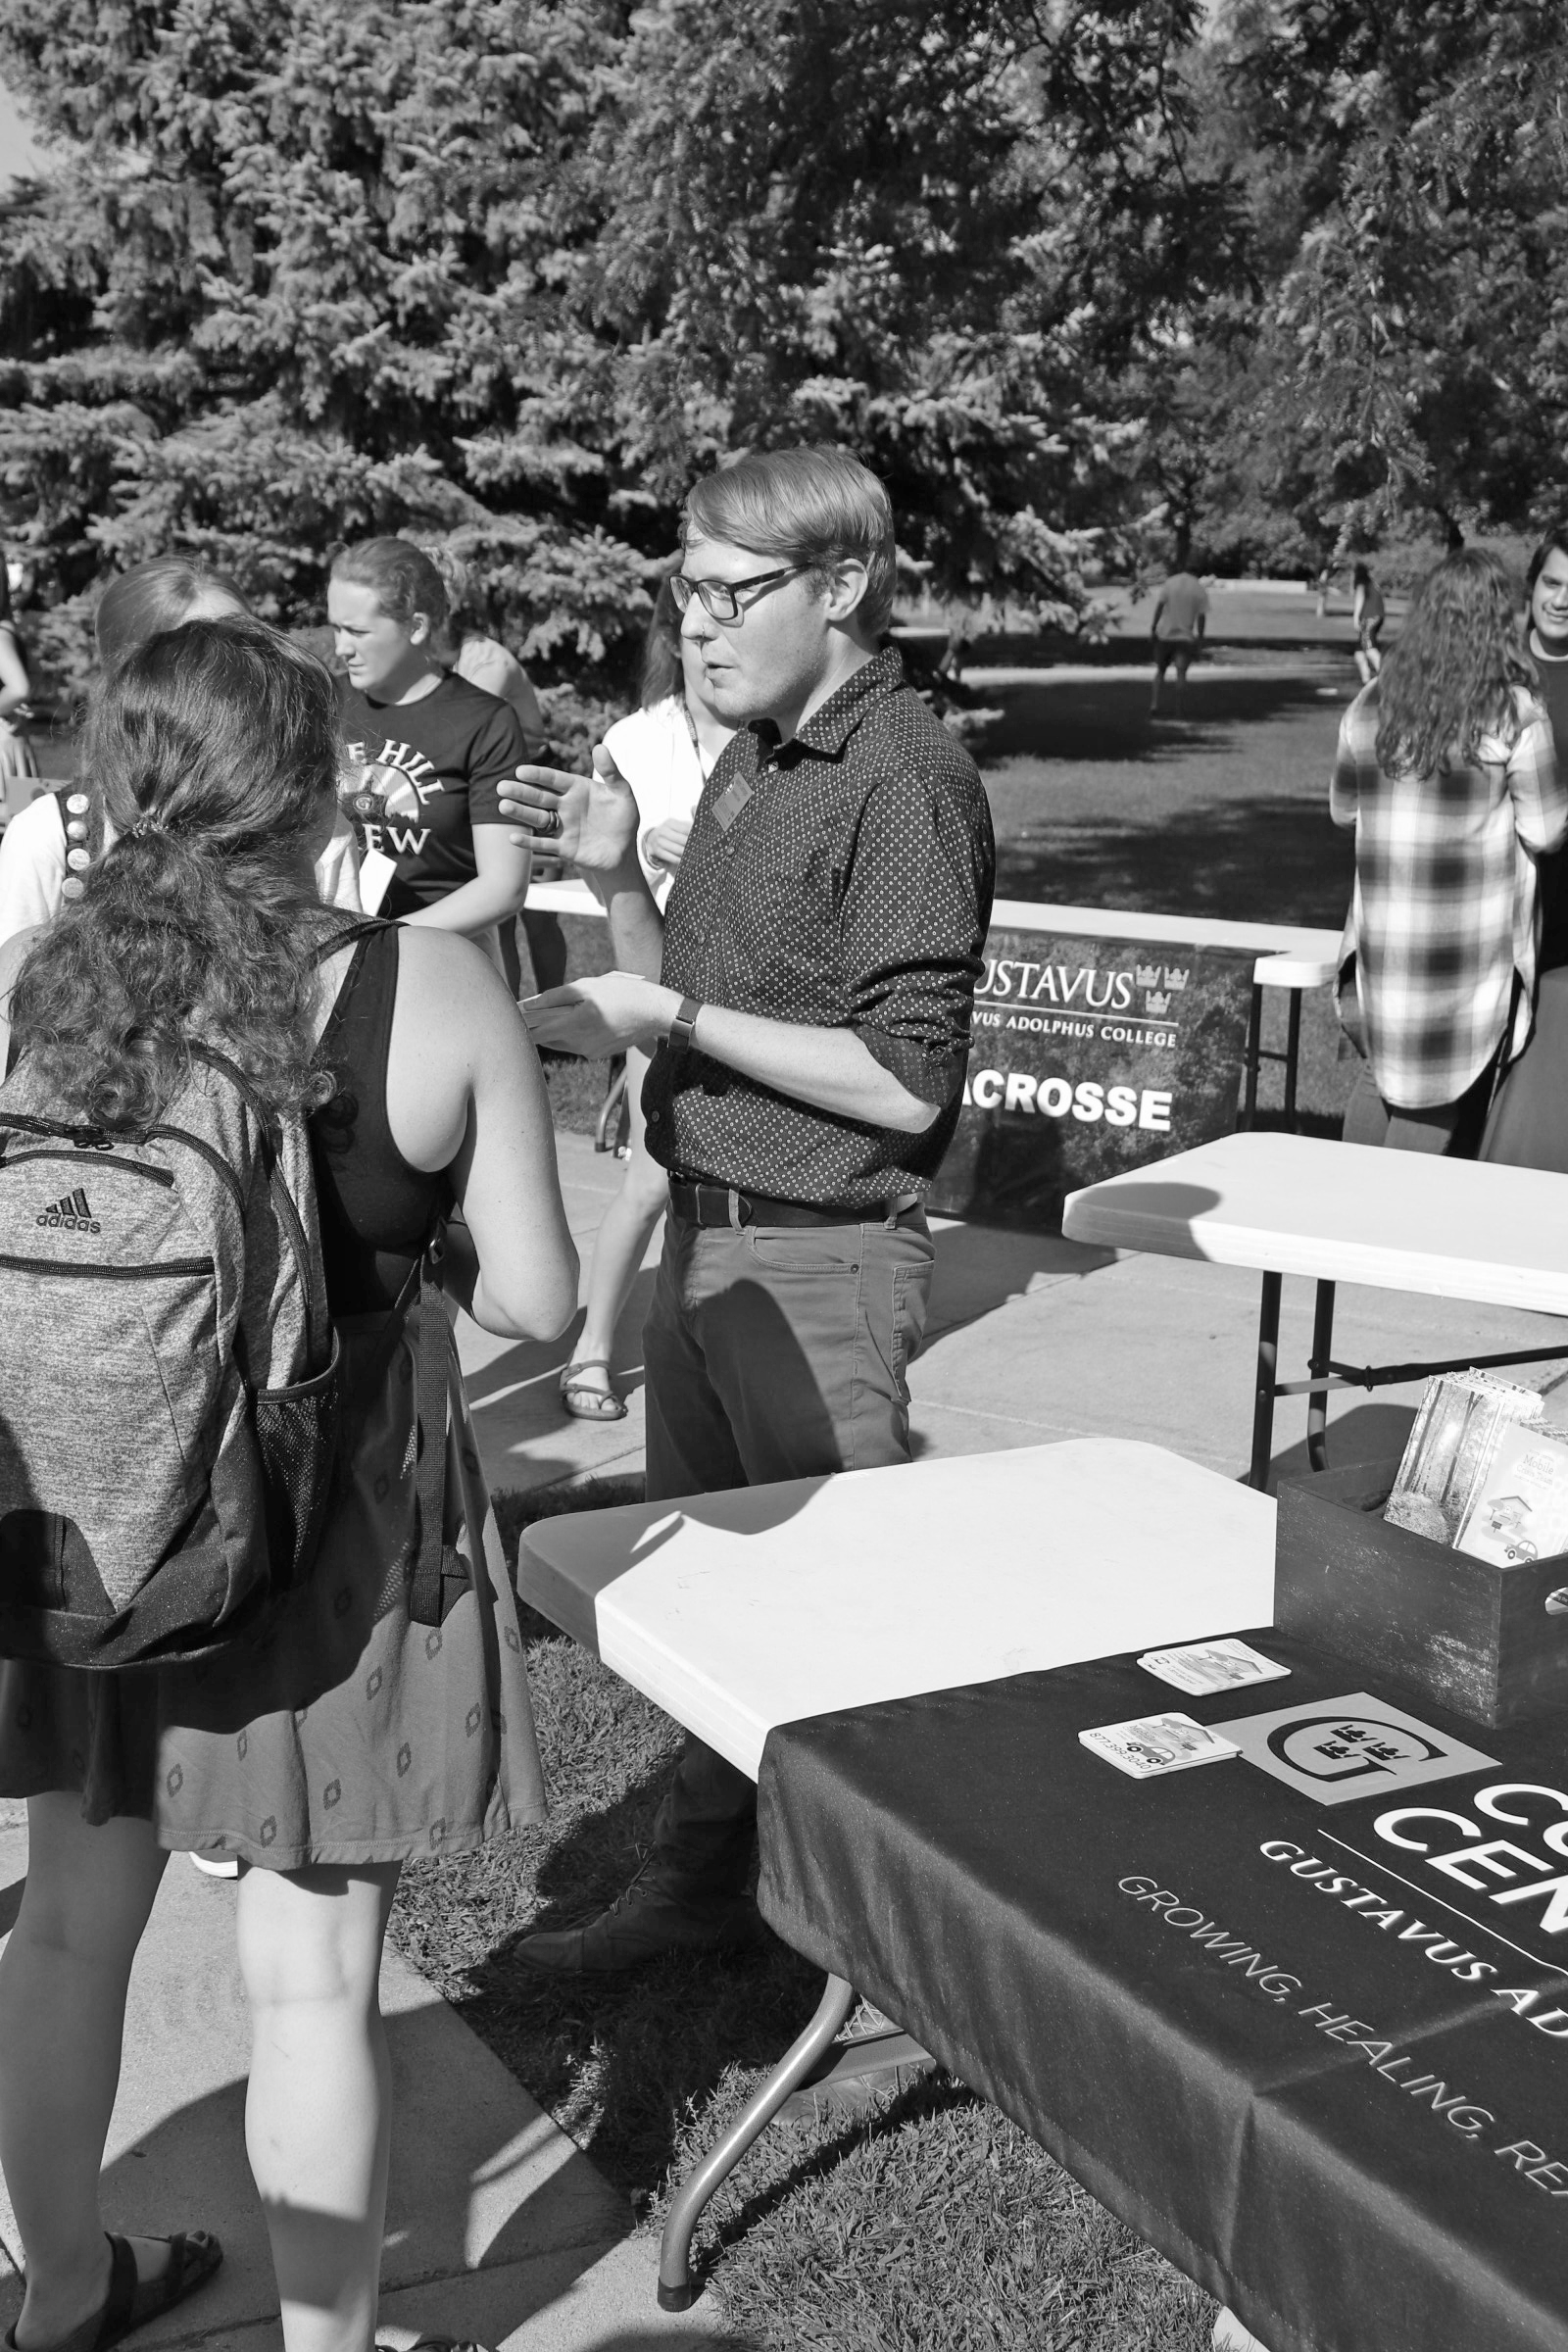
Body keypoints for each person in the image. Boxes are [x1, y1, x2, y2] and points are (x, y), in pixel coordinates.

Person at [0, 614, 577, 2352]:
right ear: (312, 782)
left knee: (63, 1944)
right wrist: (426, 1245)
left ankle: (60, 2299)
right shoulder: (427, 984)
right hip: (337, 1539)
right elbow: (544, 1299)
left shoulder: (50, 984)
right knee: (313, 1986)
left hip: (102, 1523)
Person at [507, 445, 995, 1972]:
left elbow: (908, 1089)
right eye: (685, 592)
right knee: (724, 1607)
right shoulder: (747, 756)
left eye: (730, 593)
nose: (695, 628)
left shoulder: (904, 778)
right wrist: (620, 895)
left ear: (842, 587)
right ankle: (706, 1893)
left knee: (851, 1641)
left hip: (824, 1263)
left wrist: (672, 1010)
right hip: (713, 1245)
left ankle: (882, 1976)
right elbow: (693, 997)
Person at [559, 580, 735, 1422]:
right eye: (695, 629)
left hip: (753, 1000)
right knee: (652, 1181)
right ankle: (592, 1350)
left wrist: (713, 851)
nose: (711, 646)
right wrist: (642, 856)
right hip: (662, 988)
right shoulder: (635, 739)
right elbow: (615, 889)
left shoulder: (783, 741)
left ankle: (706, 1342)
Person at [1331, 549, 1566, 1155]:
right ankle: (1384, 1234)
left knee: (1377, 1077)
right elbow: (1546, 829)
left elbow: (1343, 808)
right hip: (1463, 949)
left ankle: (1335, 1221)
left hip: (1384, 938)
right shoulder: (1516, 714)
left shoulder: (1370, 704)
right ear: (1499, 620)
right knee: (1437, 1095)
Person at [0, 559, 361, 947]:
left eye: (245, 647)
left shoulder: (315, 820)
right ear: (129, 676)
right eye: (188, 652)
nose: (232, 674)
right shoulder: (52, 835)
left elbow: (348, 976)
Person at [328, 540, 533, 956]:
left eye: (358, 631)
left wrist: (382, 939)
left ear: (416, 626)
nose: (341, 647)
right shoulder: (322, 705)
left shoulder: (485, 723)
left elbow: (504, 887)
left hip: (446, 963)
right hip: (332, 958)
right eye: (336, 627)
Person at [1478, 525, 1568, 1168]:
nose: (1561, 599)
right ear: (1532, 586)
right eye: (1552, 582)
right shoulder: (1491, 661)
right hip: (1490, 888)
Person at [0, 559, 39, 812]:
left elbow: (19, 687)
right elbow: (36, 673)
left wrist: (11, 702)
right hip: (13, 740)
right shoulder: (8, 630)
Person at [1149, 564, 1208, 715]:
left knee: (1160, 671)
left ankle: (1154, 704)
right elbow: (1201, 617)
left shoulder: (1170, 583)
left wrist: (1154, 627)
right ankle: (1179, 709)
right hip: (1185, 637)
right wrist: (1200, 639)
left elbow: (1160, 606)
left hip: (1165, 635)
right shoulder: (1199, 588)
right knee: (1181, 673)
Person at [1351, 561, 1386, 685]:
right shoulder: (1372, 582)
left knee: (1370, 649)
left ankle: (1386, 676)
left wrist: (1356, 617)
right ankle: (1366, 680)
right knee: (1359, 652)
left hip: (1369, 618)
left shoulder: (1361, 582)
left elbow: (1360, 597)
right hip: (1377, 617)